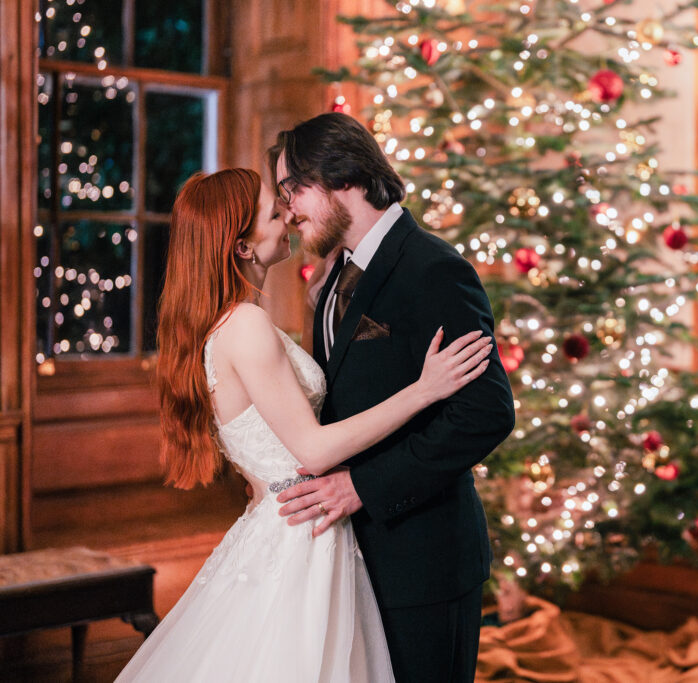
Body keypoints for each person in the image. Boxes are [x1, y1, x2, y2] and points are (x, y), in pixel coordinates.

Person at [116, 168, 493, 682]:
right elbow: (312, 451)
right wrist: (423, 390)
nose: (289, 218)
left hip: (290, 521)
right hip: (302, 535)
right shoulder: (245, 325)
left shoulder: (232, 320)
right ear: (243, 248)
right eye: (274, 213)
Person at [270, 112, 516, 683]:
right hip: (356, 557)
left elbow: (486, 413)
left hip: (424, 560)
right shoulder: (334, 274)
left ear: (344, 176)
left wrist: (362, 487)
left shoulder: (434, 270)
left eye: (294, 189)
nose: (288, 210)